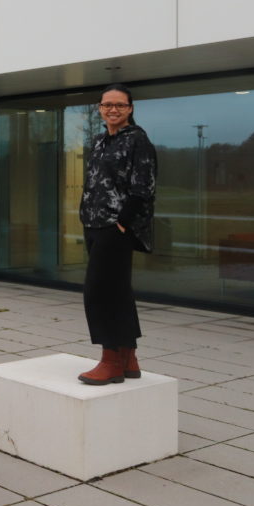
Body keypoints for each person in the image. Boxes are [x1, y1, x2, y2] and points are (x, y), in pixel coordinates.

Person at [77, 84, 157, 385]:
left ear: (130, 108)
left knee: (97, 292)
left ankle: (110, 360)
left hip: (115, 227)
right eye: (107, 105)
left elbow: (143, 188)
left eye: (119, 105)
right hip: (93, 224)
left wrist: (122, 222)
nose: (113, 109)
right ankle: (128, 356)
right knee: (119, 291)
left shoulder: (138, 140)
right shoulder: (99, 141)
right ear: (100, 109)